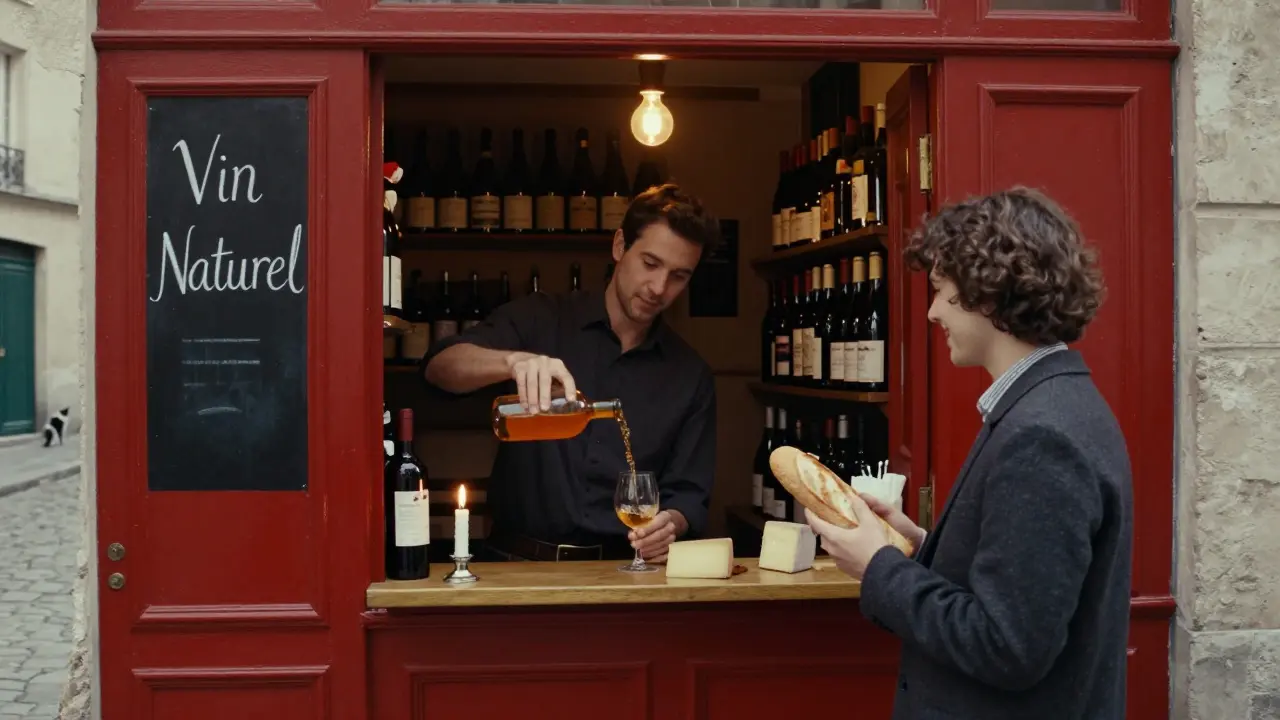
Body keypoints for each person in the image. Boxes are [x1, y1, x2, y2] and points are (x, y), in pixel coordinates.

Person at [805, 187, 1132, 719]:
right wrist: (917, 546)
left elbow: (1009, 647)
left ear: (987, 289)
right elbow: (1024, 580)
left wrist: (877, 566)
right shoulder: (1052, 402)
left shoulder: (1042, 434)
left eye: (939, 290)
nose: (932, 312)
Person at [422, 184, 720, 563]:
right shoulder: (541, 318)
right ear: (619, 246)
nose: (659, 287)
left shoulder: (690, 375)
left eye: (679, 276)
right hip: (517, 565)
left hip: (622, 572)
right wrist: (512, 362)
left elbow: (689, 495)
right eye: (650, 263)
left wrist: (670, 525)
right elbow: (440, 367)